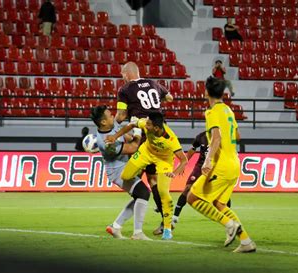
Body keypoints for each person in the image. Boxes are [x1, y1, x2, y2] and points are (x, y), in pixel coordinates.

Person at [187, 76, 256, 253]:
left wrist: (208, 159)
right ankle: (246, 241)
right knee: (219, 204)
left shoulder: (212, 112)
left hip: (221, 165)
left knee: (192, 198)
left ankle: (228, 225)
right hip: (234, 163)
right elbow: (237, 136)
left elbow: (216, 138)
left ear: (206, 92)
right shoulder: (228, 110)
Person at [105, 112, 188, 240]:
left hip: (164, 160)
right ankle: (140, 196)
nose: (145, 125)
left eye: (148, 124)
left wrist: (174, 173)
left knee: (163, 193)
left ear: (156, 128)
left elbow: (184, 160)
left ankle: (167, 229)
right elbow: (131, 125)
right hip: (146, 152)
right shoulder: (145, 123)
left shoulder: (171, 139)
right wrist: (115, 136)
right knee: (125, 176)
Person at [115, 61, 174, 236]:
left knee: (132, 180)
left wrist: (115, 122)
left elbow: (121, 115)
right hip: (161, 132)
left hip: (142, 133)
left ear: (127, 74)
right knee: (153, 179)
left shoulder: (124, 90)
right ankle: (165, 222)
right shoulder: (153, 83)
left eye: (122, 75)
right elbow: (170, 98)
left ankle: (124, 222)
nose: (122, 78)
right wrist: (156, 101)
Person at [91, 105, 151, 241]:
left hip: (125, 166)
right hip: (117, 171)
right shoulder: (106, 143)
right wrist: (137, 131)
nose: (113, 116)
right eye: (110, 115)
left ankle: (116, 226)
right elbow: (133, 147)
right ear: (103, 122)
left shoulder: (111, 126)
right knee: (143, 193)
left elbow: (122, 123)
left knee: (140, 196)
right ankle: (137, 233)